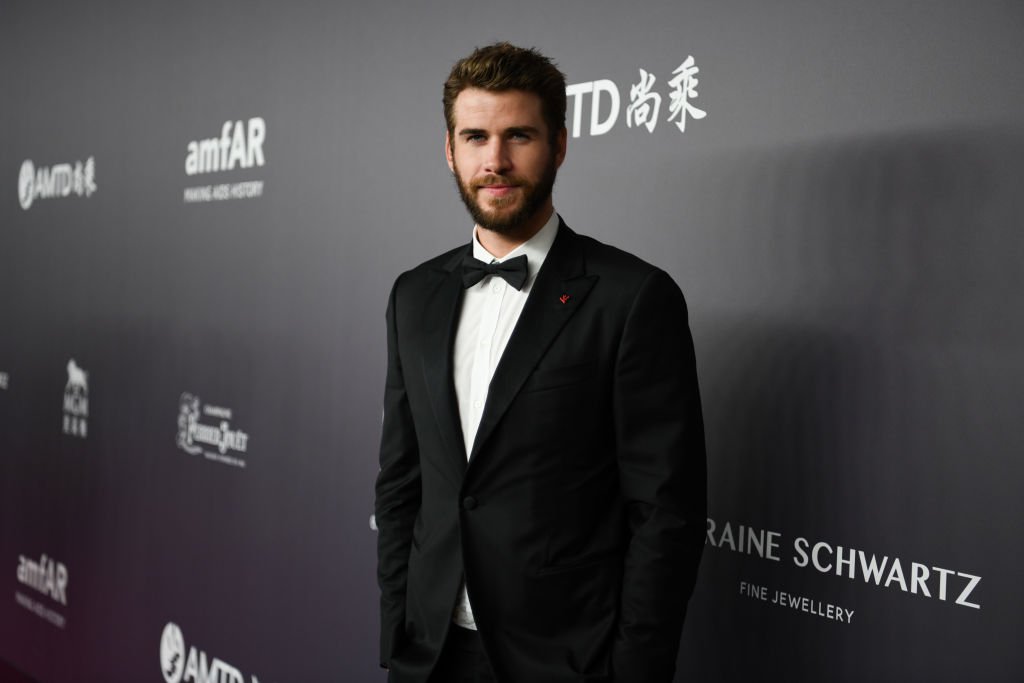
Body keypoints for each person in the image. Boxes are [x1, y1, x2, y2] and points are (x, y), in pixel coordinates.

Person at [375, 42, 706, 683]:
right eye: (475, 137)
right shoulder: (413, 294)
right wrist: (398, 633)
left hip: (567, 661)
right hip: (430, 656)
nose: (494, 161)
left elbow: (666, 512)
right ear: (450, 150)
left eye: (518, 136)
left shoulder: (632, 297)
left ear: (558, 144)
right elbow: (401, 485)